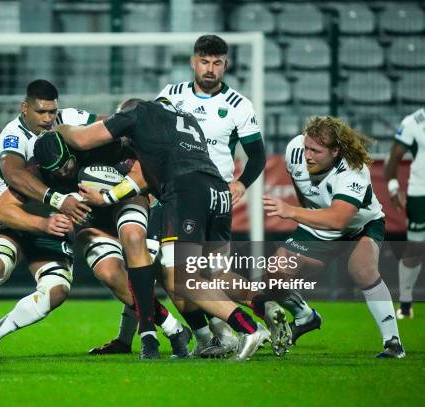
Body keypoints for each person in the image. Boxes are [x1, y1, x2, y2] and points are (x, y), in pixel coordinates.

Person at [57, 98, 272, 361]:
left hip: (185, 191)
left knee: (179, 277)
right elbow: (142, 177)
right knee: (211, 273)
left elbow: (82, 140)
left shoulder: (136, 114)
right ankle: (263, 307)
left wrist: (60, 128)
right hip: (218, 191)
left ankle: (248, 328)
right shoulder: (186, 120)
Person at [92, 34, 267, 356]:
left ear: (226, 65)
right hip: (180, 195)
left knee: (186, 273)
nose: (210, 69)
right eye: (205, 61)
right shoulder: (170, 96)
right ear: (193, 61)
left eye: (217, 63)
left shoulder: (239, 105)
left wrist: (242, 183)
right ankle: (236, 326)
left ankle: (245, 324)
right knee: (175, 269)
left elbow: (257, 155)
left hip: (205, 195)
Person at [0, 80, 94, 359]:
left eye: (52, 112)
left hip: (53, 225)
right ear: (24, 108)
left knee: (57, 291)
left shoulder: (69, 118)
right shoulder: (13, 134)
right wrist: (58, 201)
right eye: (41, 112)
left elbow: (103, 126)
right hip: (15, 219)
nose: (48, 119)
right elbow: (14, 174)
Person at [33, 131, 192, 358]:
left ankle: (209, 333)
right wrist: (46, 216)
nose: (63, 172)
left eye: (66, 164)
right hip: (92, 222)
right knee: (111, 274)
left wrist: (112, 193)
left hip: (126, 203)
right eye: (55, 170)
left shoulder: (101, 145)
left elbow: (144, 168)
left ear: (72, 151)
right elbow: (5, 206)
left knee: (167, 276)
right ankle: (172, 327)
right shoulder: (37, 174)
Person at [262, 116, 405, 358]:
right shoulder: (295, 150)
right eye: (307, 147)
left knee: (363, 270)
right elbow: (302, 189)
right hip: (320, 224)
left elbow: (340, 219)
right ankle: (305, 317)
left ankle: (393, 342)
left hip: (360, 225)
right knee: (273, 274)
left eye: (316, 151)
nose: (308, 155)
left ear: (335, 151)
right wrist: (305, 213)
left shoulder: (353, 171)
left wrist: (292, 212)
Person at [385, 107, 425, 319]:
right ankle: (406, 302)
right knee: (416, 248)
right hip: (421, 193)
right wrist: (393, 188)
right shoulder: (414, 122)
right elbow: (393, 158)